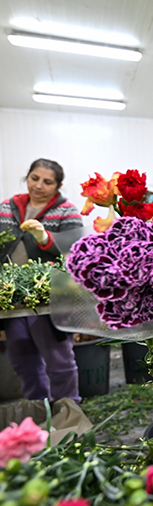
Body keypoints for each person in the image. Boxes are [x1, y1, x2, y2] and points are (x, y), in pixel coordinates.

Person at [0, 159, 83, 403]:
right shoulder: (8, 207)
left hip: (49, 295)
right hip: (13, 296)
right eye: (34, 178)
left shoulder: (66, 211)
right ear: (27, 177)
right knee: (23, 359)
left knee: (59, 360)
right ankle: (39, 413)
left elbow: (73, 250)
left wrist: (44, 237)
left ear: (58, 185)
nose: (39, 185)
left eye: (47, 182)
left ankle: (68, 415)